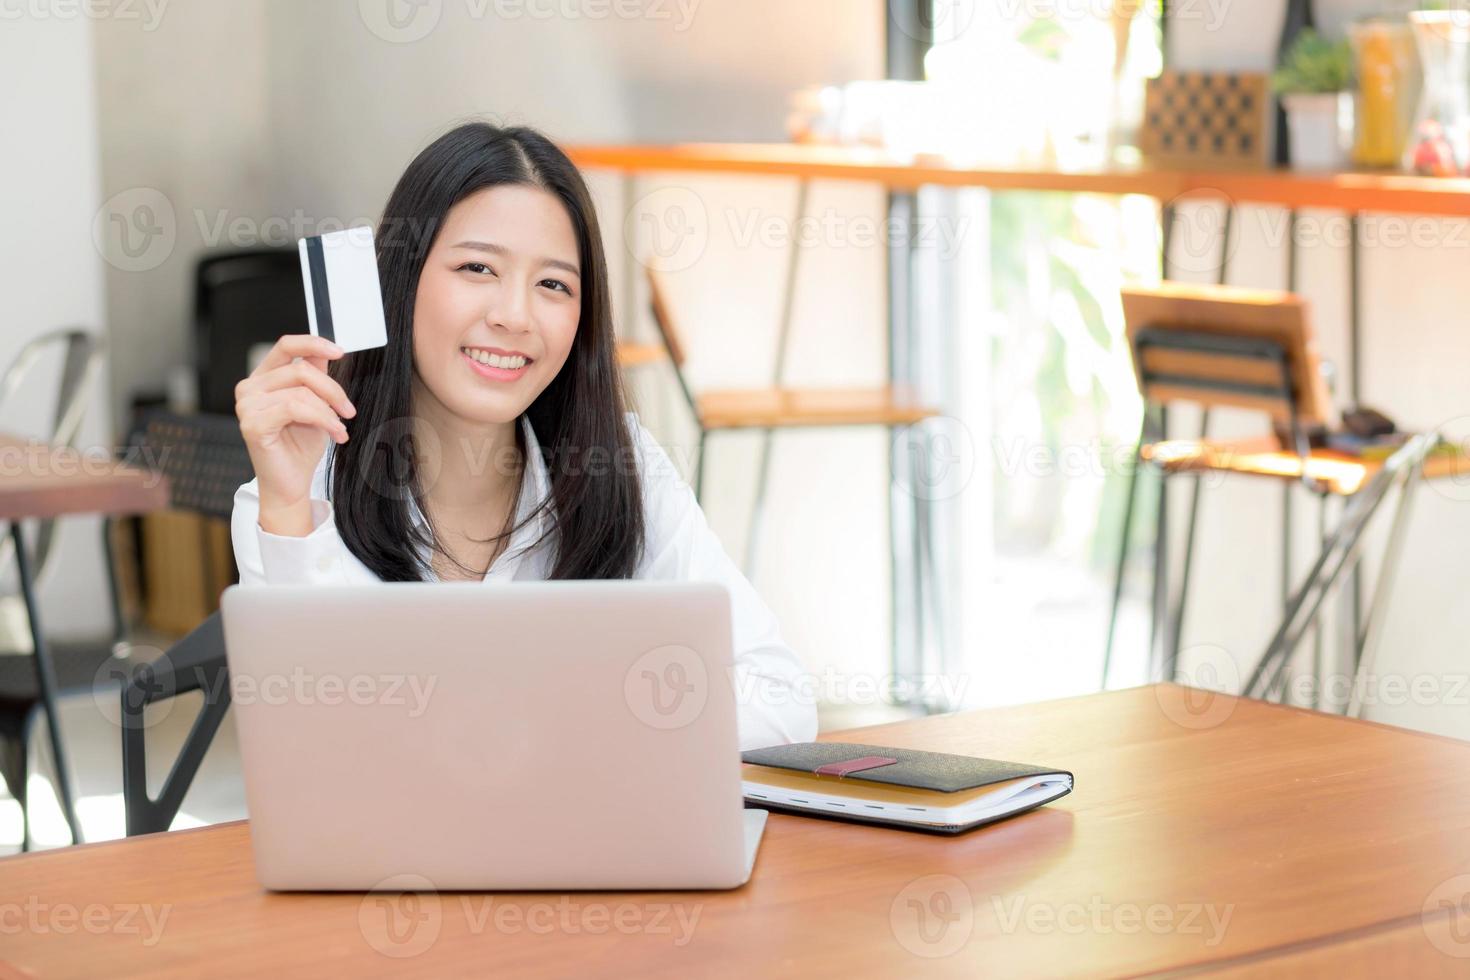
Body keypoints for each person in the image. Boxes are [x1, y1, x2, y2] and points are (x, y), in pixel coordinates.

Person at [230, 121, 815, 750]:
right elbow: (314, 749)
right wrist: (289, 512)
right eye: (477, 267)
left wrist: (547, 727)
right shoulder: (292, 496)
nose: (514, 315)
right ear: (401, 281)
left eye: (553, 284)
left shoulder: (621, 464)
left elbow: (778, 699)